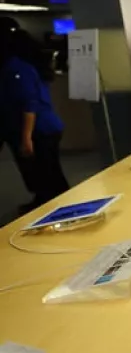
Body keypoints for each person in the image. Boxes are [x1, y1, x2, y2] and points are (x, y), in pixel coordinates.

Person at [0, 17, 69, 213]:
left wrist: (26, 137)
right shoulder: (22, 64)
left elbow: (29, 103)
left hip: (39, 129)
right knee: (43, 173)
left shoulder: (17, 67)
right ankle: (45, 202)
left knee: (47, 173)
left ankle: (56, 209)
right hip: (40, 128)